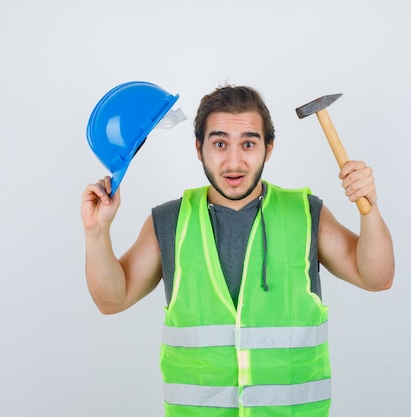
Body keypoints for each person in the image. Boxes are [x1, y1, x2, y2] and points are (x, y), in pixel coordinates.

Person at [81, 85, 394, 417]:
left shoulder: (305, 213)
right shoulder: (170, 221)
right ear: (199, 149)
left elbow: (377, 278)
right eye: (219, 144)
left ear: (268, 148)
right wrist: (96, 231)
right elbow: (111, 300)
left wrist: (369, 210)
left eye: (248, 143)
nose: (234, 161)